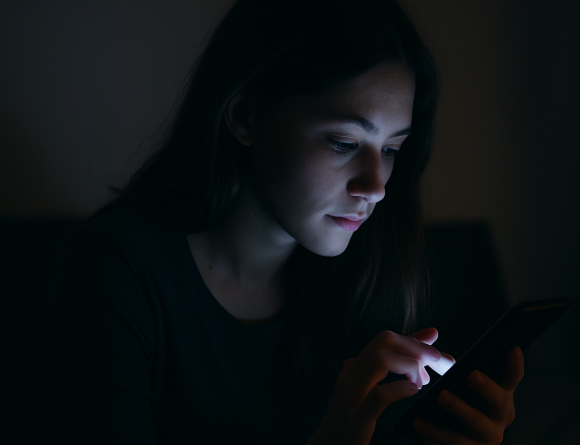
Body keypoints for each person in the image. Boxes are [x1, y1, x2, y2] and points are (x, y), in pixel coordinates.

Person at [53, 0, 523, 443]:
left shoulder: (368, 274)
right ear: (246, 116)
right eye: (343, 143)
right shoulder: (116, 271)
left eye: (391, 150)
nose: (376, 186)